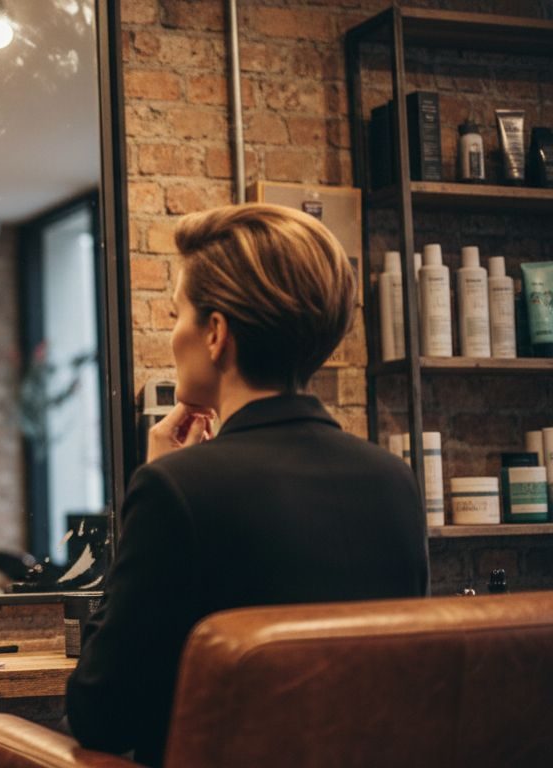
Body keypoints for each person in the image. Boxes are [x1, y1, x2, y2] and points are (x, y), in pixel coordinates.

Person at [66, 204, 428, 766]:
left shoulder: (174, 489)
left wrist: (158, 478)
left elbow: (101, 715)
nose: (172, 336)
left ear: (215, 334)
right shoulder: (395, 481)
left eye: (178, 315)